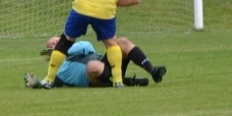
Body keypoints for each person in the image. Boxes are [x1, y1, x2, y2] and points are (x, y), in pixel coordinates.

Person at [25, 36, 166, 88]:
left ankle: (152, 70)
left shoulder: (80, 48)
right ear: (50, 54)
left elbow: (87, 45)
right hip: (100, 75)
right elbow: (48, 83)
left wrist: (65, 48)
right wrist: (33, 83)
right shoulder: (59, 71)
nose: (57, 43)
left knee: (121, 42)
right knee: (92, 66)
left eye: (58, 40)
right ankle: (127, 81)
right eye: (53, 44)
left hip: (109, 64)